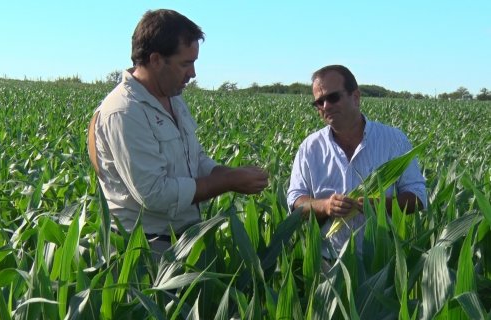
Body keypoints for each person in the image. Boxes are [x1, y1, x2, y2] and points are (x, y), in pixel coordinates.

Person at [88, 9, 268, 257]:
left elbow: (195, 159)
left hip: (182, 240)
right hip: (145, 251)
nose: (193, 74)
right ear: (156, 60)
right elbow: (155, 194)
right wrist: (228, 182)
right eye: (186, 63)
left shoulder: (173, 98)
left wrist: (231, 173)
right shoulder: (124, 111)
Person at [287, 64, 426, 262]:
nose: (326, 106)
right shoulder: (310, 148)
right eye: (319, 102)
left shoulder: (394, 140)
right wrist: (325, 206)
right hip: (328, 263)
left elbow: (419, 198)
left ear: (356, 97)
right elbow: (296, 202)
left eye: (333, 97)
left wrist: (379, 205)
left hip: (383, 262)